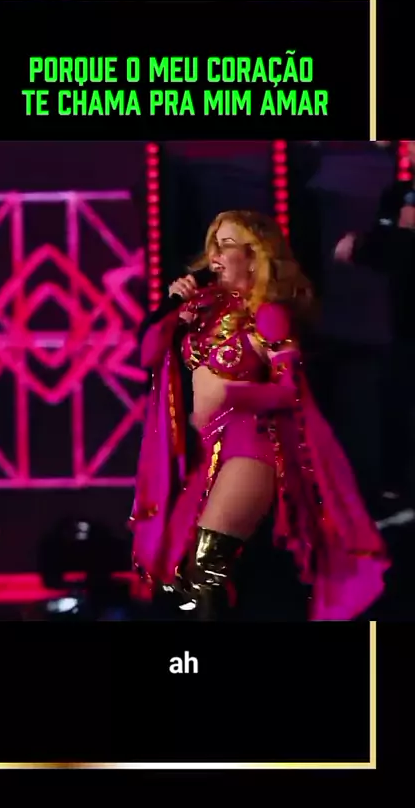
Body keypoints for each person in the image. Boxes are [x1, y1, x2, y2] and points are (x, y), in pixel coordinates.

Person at [130, 210, 390, 621]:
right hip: (207, 451)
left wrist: (230, 393)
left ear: (254, 257)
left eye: (226, 245)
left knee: (206, 563)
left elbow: (290, 392)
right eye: (213, 245)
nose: (215, 256)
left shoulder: (268, 315)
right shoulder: (202, 311)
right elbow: (147, 355)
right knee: (180, 573)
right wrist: (174, 309)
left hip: (250, 446)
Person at [334, 142, 415, 527]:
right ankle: (396, 495)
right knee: (395, 404)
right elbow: (385, 252)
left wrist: (373, 244)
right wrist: (370, 244)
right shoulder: (398, 193)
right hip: (403, 326)